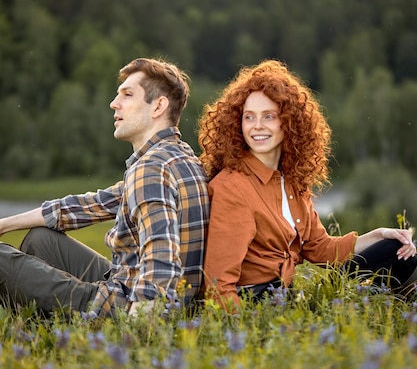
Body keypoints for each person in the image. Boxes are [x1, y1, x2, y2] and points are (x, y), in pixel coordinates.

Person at [198, 59, 417, 311]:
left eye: (269, 116)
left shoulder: (289, 179)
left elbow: (319, 249)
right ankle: (393, 316)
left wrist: (378, 235)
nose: (257, 126)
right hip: (256, 306)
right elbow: (218, 283)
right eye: (249, 117)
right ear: (237, 123)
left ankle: (400, 318)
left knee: (399, 248)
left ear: (289, 122)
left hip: (287, 298)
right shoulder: (232, 187)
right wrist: (240, 332)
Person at [0, 57, 210, 318]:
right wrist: (5, 224)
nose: (114, 103)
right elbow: (89, 205)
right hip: (152, 295)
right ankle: (46, 332)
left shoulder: (151, 170)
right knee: (42, 239)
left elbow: (162, 264)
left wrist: (137, 335)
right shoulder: (180, 157)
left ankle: (49, 341)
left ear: (158, 106)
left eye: (127, 94)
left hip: (127, 309)